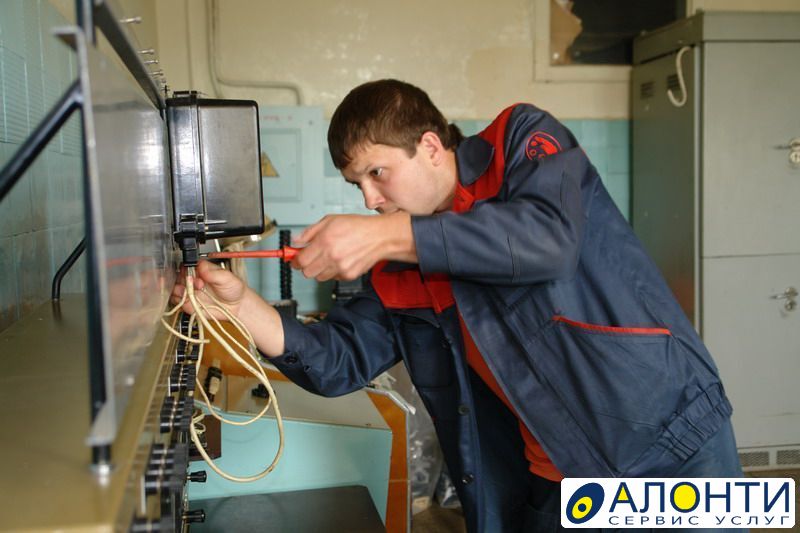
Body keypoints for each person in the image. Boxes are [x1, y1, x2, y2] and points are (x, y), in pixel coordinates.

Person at [174, 79, 742, 532]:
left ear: (429, 147)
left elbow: (547, 242)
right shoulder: (402, 268)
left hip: (669, 442)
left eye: (378, 174)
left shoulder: (519, 141)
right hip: (554, 478)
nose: (371, 199)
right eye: (358, 186)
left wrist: (388, 238)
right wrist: (240, 305)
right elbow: (338, 360)